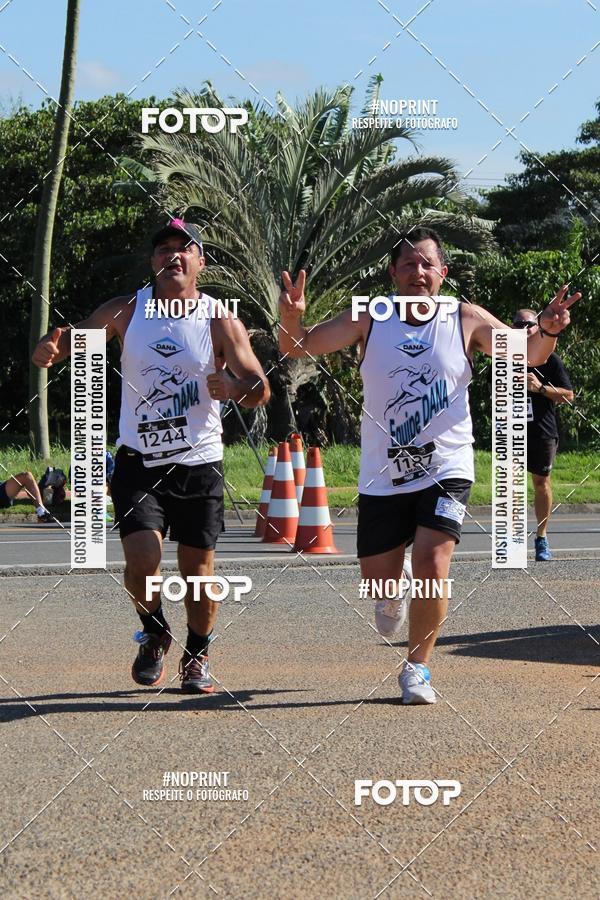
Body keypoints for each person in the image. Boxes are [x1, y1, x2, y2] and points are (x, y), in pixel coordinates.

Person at [279, 227, 580, 704]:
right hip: (383, 470)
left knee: (432, 562)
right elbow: (297, 348)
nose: (417, 272)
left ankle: (417, 668)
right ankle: (389, 591)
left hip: (446, 465)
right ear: (393, 272)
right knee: (379, 578)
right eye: (407, 264)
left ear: (442, 272)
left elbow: (526, 353)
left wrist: (546, 330)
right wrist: (290, 317)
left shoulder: (466, 317)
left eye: (426, 264)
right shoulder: (369, 316)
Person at [33, 219, 270, 692]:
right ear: (153, 261)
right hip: (140, 462)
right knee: (143, 558)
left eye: (184, 250)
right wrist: (49, 349)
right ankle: (155, 631)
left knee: (197, 573)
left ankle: (197, 654)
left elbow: (260, 388)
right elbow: (72, 339)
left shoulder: (221, 321)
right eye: (163, 250)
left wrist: (234, 387)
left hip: (199, 463)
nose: (173, 257)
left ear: (200, 262)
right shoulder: (125, 311)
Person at [512, 309, 574, 561]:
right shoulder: (504, 358)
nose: (524, 328)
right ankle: (511, 540)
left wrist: (541, 388)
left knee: (541, 483)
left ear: (538, 327)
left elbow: (569, 396)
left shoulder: (551, 359)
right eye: (518, 324)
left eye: (529, 324)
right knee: (510, 485)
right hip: (511, 428)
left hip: (541, 430)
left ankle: (541, 537)